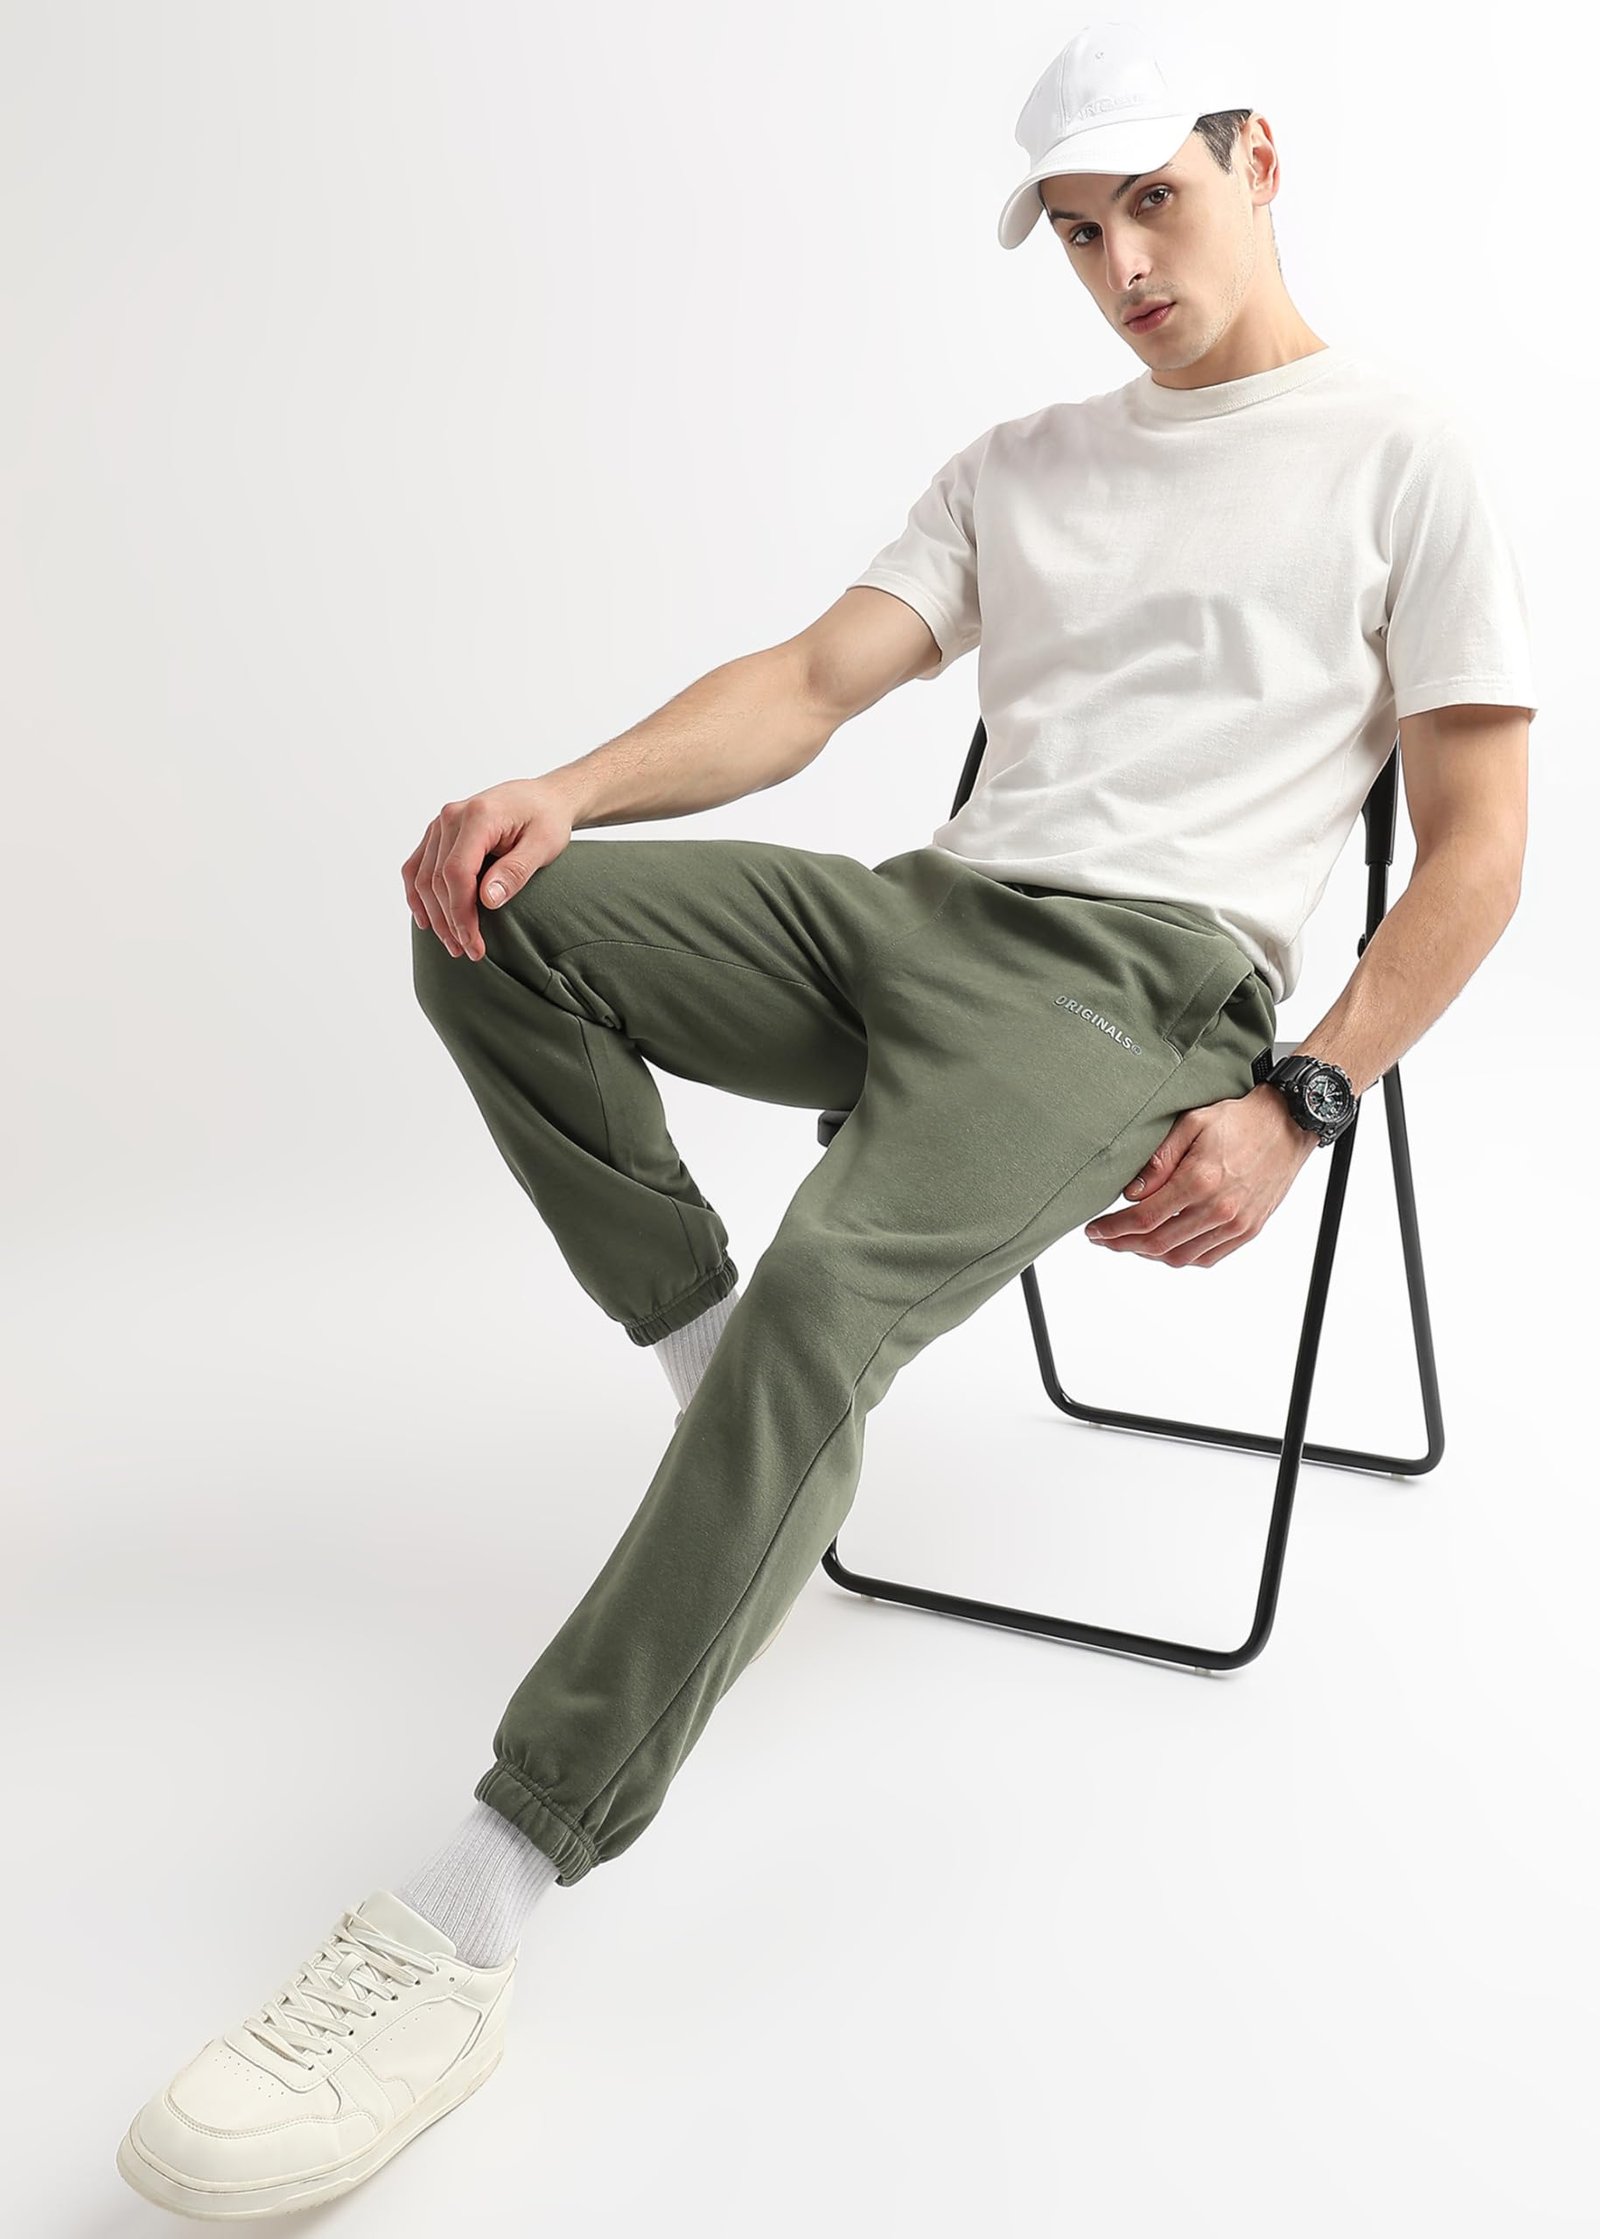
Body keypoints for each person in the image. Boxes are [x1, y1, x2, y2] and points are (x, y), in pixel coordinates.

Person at [117, 19, 1536, 2218]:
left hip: (1136, 990)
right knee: (498, 914)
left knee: (828, 1299)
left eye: (1155, 203)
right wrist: (564, 790)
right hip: (920, 913)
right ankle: (730, 1385)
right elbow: (803, 687)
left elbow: (1476, 847)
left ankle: (479, 1897)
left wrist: (1305, 1094)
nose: (1122, 265)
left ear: (1260, 160)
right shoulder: (1022, 462)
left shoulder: (1402, 452)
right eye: (1078, 229)